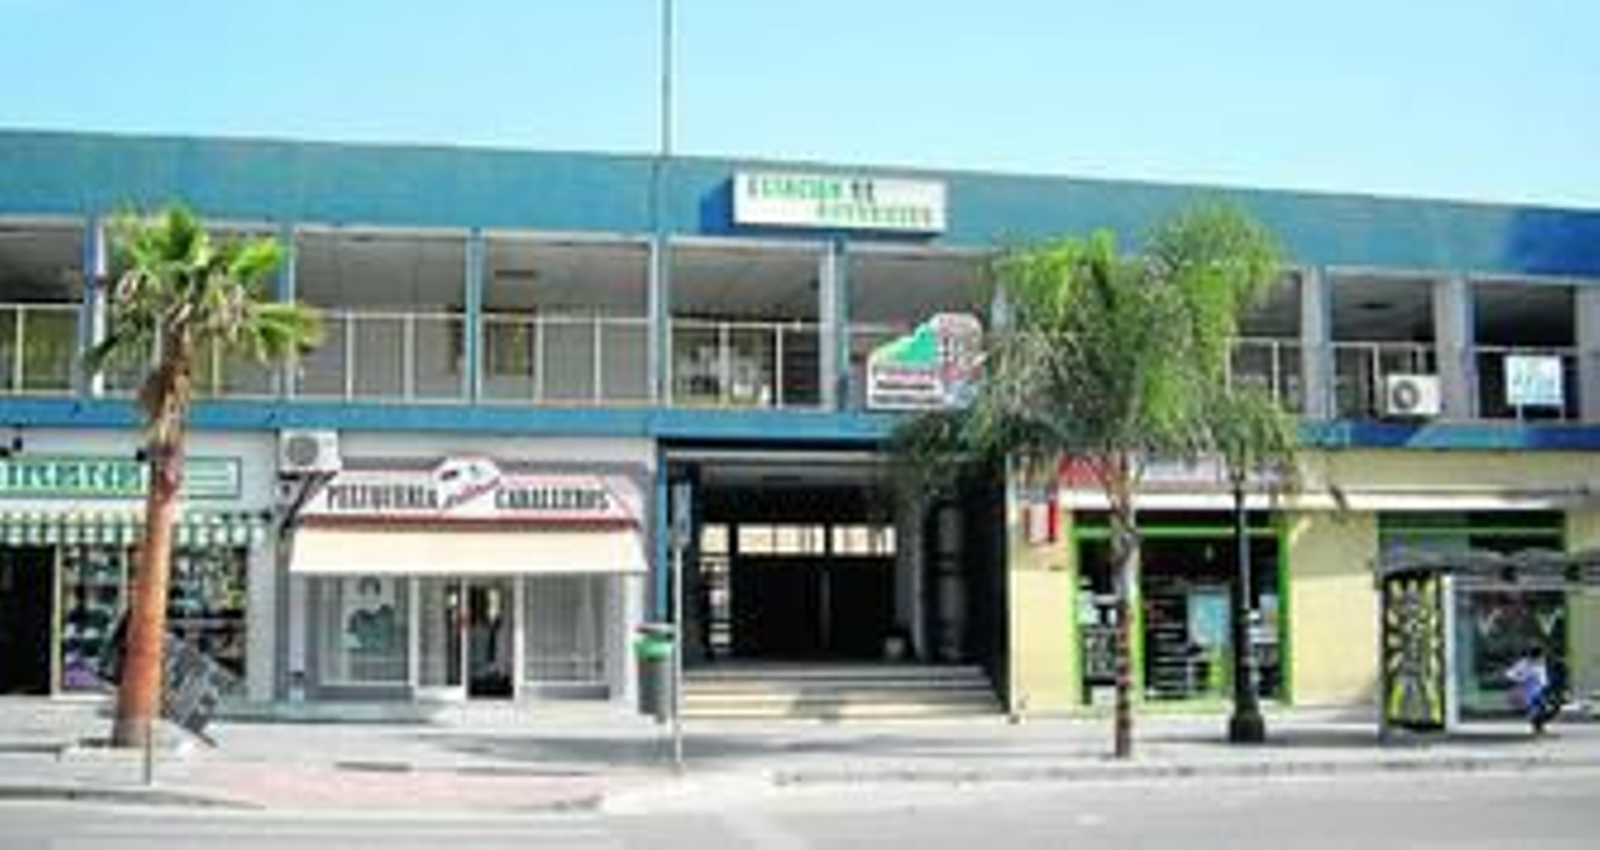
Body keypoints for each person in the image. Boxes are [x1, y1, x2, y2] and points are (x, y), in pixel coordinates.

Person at [1505, 645, 1557, 734]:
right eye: (1540, 657)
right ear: (1534, 656)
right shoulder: (1524, 663)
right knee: (1537, 708)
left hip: (1541, 689)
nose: (1542, 659)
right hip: (1528, 690)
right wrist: (1521, 679)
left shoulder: (1541, 663)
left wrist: (1546, 685)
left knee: (1547, 708)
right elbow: (1509, 673)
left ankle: (1538, 725)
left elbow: (1543, 677)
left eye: (1542, 657)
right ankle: (1537, 726)